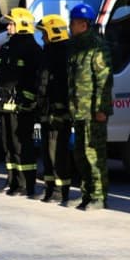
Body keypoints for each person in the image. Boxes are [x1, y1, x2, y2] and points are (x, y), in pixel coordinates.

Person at [0, 7, 44, 196]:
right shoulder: (5, 48)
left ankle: (26, 184)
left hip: (22, 106)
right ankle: (12, 180)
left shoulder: (32, 49)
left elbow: (36, 79)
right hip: (4, 104)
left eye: (11, 24)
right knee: (8, 144)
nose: (8, 28)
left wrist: (28, 101)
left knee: (22, 144)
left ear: (22, 24)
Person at [65, 4, 111, 209]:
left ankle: (99, 196)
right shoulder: (75, 46)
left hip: (93, 111)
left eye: (73, 23)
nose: (70, 26)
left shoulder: (96, 47)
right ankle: (87, 193)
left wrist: (102, 109)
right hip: (79, 110)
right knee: (81, 154)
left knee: (94, 154)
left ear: (83, 24)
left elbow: (104, 80)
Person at [37, 13, 76, 201]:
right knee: (46, 149)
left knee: (58, 151)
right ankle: (50, 187)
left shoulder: (63, 53)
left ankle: (61, 190)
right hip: (46, 109)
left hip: (58, 111)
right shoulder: (48, 51)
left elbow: (62, 85)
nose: (42, 37)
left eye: (45, 33)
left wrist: (60, 109)